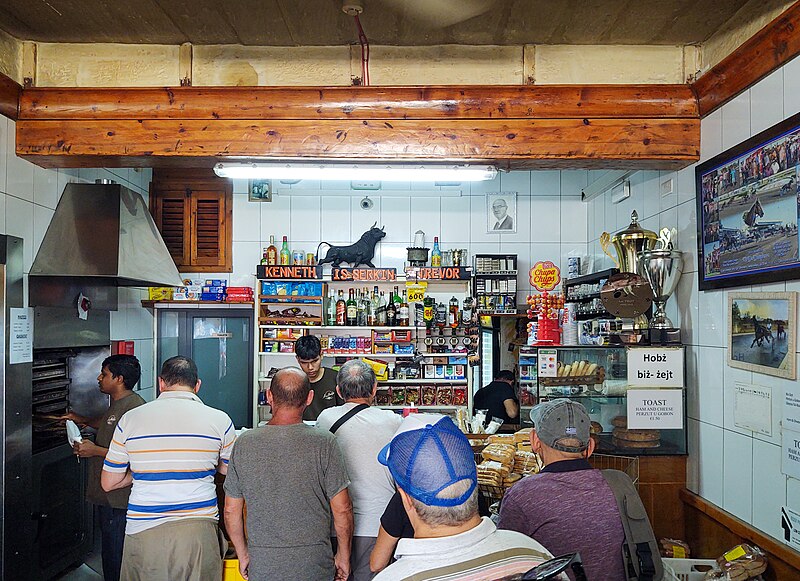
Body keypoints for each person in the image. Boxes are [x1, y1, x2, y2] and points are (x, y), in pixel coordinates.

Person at [101, 356, 236, 581]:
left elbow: (109, 483)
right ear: (197, 385)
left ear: (161, 383)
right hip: (197, 530)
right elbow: (229, 470)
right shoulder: (220, 420)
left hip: (143, 530)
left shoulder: (130, 419)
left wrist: (142, 470)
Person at [373, 414, 553, 581]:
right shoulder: (536, 555)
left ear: (406, 499)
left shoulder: (393, 578)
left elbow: (376, 563)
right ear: (475, 476)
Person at [224, 367, 353, 581]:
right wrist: (344, 555)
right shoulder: (324, 442)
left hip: (264, 562)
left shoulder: (245, 443)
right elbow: (343, 509)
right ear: (310, 398)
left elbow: (231, 510)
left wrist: (243, 553)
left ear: (269, 396)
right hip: (315, 562)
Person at [498, 399, 627, 581]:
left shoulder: (522, 495)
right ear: (590, 447)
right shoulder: (619, 485)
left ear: (535, 441)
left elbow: (506, 563)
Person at [316, 359, 402, 581]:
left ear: (338, 390)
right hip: (379, 526)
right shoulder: (393, 421)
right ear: (374, 388)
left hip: (335, 526)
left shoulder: (325, 419)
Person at [62, 355, 145, 581]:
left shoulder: (135, 409)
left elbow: (137, 456)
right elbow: (109, 422)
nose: (99, 378)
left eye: (104, 374)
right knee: (110, 551)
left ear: (118, 378)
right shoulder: (118, 405)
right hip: (108, 496)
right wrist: (83, 420)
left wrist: (95, 451)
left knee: (116, 556)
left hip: (119, 499)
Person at [295, 334, 343, 421]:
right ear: (297, 359)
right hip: (301, 432)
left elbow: (345, 412)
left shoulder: (337, 378)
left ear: (321, 355)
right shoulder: (292, 382)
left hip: (330, 432)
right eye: (304, 362)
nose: (310, 367)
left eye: (314, 361)